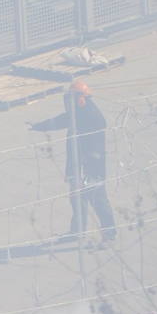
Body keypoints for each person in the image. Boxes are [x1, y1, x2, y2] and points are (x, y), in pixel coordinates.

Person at [65, 78, 115, 242]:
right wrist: (40, 126)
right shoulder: (77, 113)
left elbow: (95, 147)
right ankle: (77, 232)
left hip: (91, 168)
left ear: (81, 98)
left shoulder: (94, 118)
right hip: (76, 165)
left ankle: (110, 234)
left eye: (71, 98)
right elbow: (62, 119)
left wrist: (88, 160)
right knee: (77, 200)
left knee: (98, 200)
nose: (68, 102)